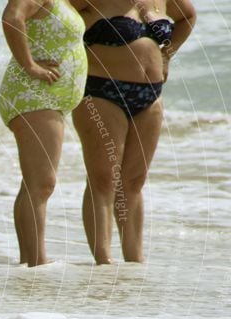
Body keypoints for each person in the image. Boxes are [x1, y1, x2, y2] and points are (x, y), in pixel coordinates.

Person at [71, 0, 196, 263]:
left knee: (134, 181)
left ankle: (134, 261)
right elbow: (45, 13)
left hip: (150, 96)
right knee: (104, 178)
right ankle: (103, 263)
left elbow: (187, 17)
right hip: (100, 90)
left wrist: (166, 54)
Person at [0, 0, 88, 266]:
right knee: (41, 183)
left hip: (51, 99)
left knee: (37, 184)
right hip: (34, 96)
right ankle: (36, 262)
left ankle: (30, 261)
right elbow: (12, 18)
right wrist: (29, 65)